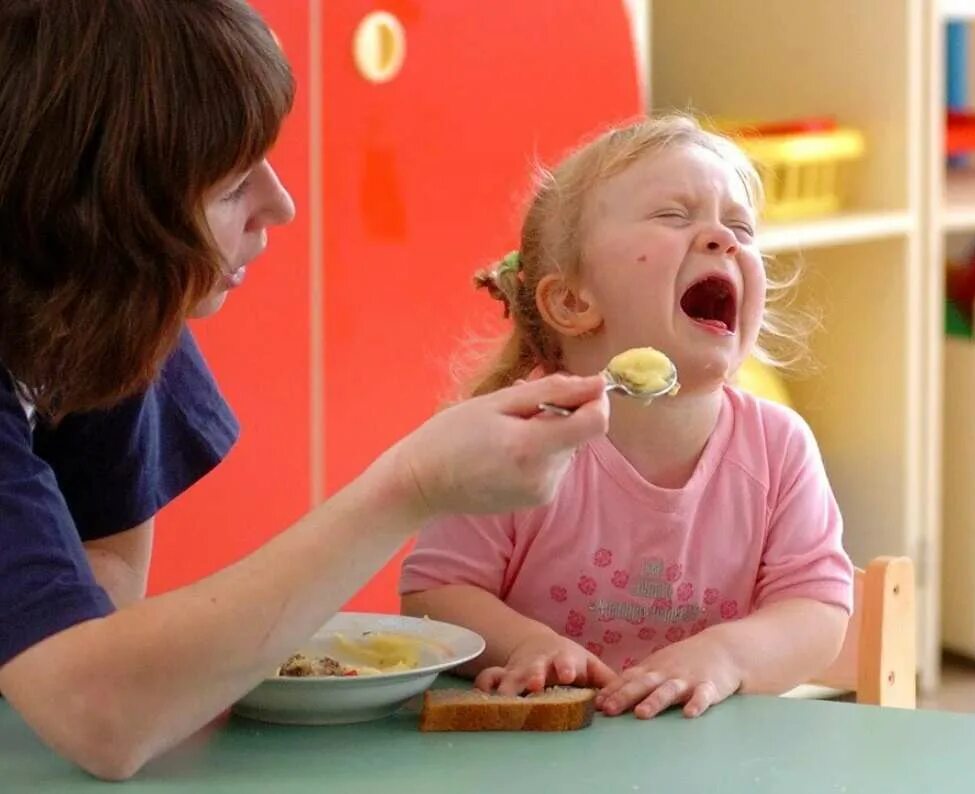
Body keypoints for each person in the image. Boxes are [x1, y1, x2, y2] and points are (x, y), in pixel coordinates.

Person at [0, 0, 608, 780]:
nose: (280, 206)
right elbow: (105, 716)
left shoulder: (105, 304)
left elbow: (100, 591)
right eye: (227, 186)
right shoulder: (116, 277)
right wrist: (408, 486)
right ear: (92, 215)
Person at [401, 115, 854, 720]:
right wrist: (528, 645)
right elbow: (434, 595)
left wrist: (726, 657)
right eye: (673, 215)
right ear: (572, 300)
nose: (724, 238)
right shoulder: (517, 439)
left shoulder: (778, 448)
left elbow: (816, 610)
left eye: (740, 226)